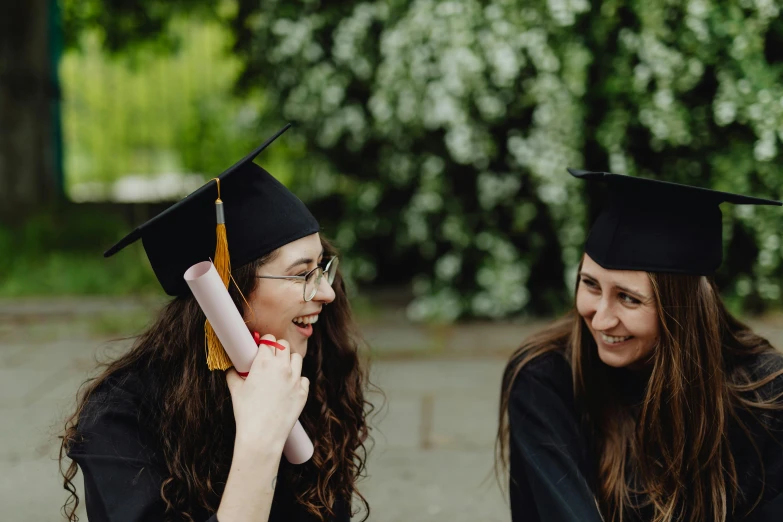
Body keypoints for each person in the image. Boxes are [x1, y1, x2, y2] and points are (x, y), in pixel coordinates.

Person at [58, 125, 373, 522]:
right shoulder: (121, 418)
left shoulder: (311, 371)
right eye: (301, 274)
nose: (326, 292)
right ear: (228, 290)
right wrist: (259, 441)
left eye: (322, 267)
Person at [496, 168, 783, 522]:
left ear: (683, 310)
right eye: (590, 285)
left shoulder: (763, 394)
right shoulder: (547, 376)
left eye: (629, 299)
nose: (600, 320)